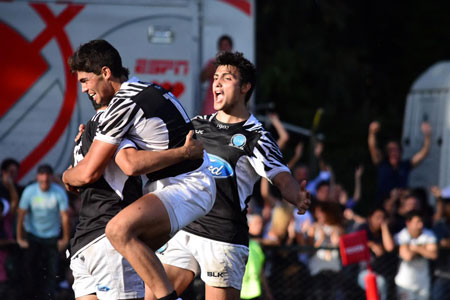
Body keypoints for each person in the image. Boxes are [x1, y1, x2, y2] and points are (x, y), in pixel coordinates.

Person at [62, 39, 216, 300]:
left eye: (85, 81)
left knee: (117, 232)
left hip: (187, 184)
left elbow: (112, 168)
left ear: (106, 73)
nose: (85, 89)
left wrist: (66, 176)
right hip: (171, 186)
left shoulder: (122, 104)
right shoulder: (142, 89)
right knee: (135, 258)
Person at [150, 51, 310, 300]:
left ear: (246, 87)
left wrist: (297, 196)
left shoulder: (257, 136)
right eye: (215, 77)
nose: (217, 83)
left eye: (226, 77)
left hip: (222, 238)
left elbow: (282, 177)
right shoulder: (197, 125)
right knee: (155, 296)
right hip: (186, 227)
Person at [69, 96, 205, 300]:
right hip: (107, 238)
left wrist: (64, 175)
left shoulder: (84, 137)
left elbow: (73, 181)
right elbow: (131, 164)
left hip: (82, 241)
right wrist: (184, 153)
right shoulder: (112, 129)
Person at [17, 164, 70, 300]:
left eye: (47, 179)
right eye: (42, 179)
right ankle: (29, 295)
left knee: (52, 270)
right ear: (37, 178)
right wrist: (19, 238)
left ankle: (48, 296)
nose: (44, 182)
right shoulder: (30, 191)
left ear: (51, 178)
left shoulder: (58, 192)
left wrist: (65, 238)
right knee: (30, 267)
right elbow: (21, 215)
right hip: (33, 234)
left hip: (51, 235)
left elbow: (64, 216)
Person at [368, 120, 431, 203]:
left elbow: (423, 153)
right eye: (390, 150)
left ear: (400, 151)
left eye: (396, 149)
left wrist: (427, 136)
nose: (393, 152)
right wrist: (372, 132)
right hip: (383, 204)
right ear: (386, 152)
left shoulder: (405, 165)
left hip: (400, 204)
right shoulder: (382, 164)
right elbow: (373, 147)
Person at [394, 210, 437, 300]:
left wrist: (415, 248)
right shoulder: (402, 235)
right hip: (405, 283)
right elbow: (407, 256)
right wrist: (423, 247)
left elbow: (433, 254)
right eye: (417, 222)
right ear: (408, 223)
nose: (420, 225)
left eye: (421, 221)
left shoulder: (428, 234)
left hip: (423, 282)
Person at [200, 35, 233, 115]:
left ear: (231, 48)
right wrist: (217, 63)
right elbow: (202, 78)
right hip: (212, 106)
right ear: (219, 48)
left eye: (226, 45)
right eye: (222, 46)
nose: (224, 48)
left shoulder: (236, 65)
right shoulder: (213, 63)